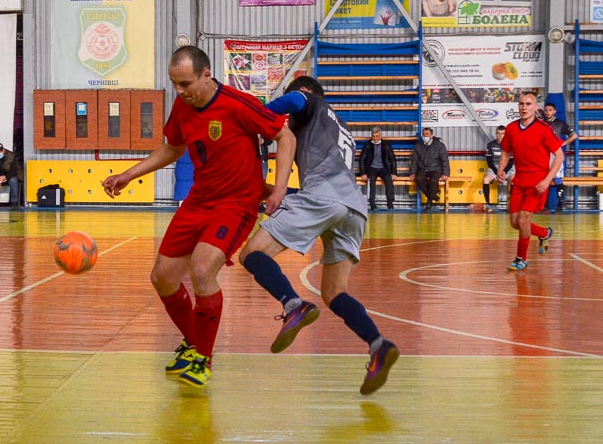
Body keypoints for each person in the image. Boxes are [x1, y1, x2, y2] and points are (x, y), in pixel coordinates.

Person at [102, 46, 295, 388]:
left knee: (203, 269)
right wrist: (129, 175)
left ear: (206, 75)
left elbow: (285, 134)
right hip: (198, 202)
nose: (180, 91)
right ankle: (194, 344)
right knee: (162, 278)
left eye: (186, 83)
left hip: (235, 204)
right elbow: (172, 148)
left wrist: (279, 189)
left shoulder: (237, 103)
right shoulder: (183, 105)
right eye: (175, 83)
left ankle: (203, 359)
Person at [238, 76, 399, 396]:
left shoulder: (310, 103)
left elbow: (296, 101)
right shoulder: (340, 127)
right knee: (333, 292)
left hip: (324, 200)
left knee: (251, 253)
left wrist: (262, 119)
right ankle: (378, 344)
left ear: (306, 93)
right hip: (354, 209)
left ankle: (293, 303)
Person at [498, 91, 564, 271]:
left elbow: (559, 156)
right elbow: (505, 152)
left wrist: (547, 180)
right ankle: (544, 233)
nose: (524, 107)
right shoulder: (511, 128)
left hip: (538, 184)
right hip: (519, 181)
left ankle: (521, 258)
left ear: (536, 108)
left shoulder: (544, 129)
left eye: (528, 104)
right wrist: (501, 169)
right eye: (521, 104)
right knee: (514, 222)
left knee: (524, 218)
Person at [543, 102, 577, 212]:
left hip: (555, 155)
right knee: (544, 179)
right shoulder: (541, 124)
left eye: (550, 110)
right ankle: (545, 205)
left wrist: (563, 143)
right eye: (546, 110)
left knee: (557, 179)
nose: (548, 112)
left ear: (554, 111)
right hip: (543, 154)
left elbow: (574, 135)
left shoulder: (560, 123)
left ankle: (560, 204)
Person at [409, 128, 450, 211]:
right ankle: (434, 196)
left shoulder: (439, 146)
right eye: (423, 134)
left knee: (434, 181)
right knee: (418, 179)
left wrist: (446, 173)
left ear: (432, 135)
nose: (425, 136)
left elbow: (445, 160)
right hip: (423, 168)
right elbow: (414, 161)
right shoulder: (418, 146)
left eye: (427, 134)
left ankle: (429, 202)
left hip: (436, 168)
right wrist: (412, 173)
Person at [358, 126, 398, 210]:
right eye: (373, 136)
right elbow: (362, 159)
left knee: (389, 180)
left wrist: (394, 173)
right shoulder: (367, 145)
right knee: (371, 181)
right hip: (371, 168)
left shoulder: (386, 145)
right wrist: (363, 173)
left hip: (384, 168)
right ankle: (372, 203)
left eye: (377, 136)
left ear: (380, 136)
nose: (375, 138)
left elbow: (392, 159)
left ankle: (390, 204)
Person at [483, 125, 514, 212]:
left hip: (507, 168)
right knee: (486, 180)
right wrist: (497, 172)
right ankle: (488, 204)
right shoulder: (491, 145)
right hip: (494, 168)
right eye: (498, 133)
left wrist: (504, 171)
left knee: (514, 180)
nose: (500, 136)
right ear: (496, 134)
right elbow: (489, 161)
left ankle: (512, 204)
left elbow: (511, 161)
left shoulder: (510, 145)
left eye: (502, 134)